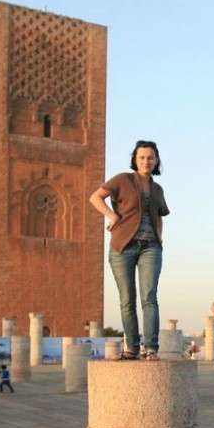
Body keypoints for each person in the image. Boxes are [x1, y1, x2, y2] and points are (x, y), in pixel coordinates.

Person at [90, 140, 170, 361]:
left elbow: (160, 216)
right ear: (135, 159)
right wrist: (112, 215)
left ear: (156, 161)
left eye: (151, 157)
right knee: (127, 299)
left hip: (151, 248)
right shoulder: (122, 180)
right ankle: (131, 348)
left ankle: (151, 348)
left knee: (149, 297)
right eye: (142, 157)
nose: (146, 161)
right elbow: (95, 197)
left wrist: (159, 239)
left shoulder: (157, 189)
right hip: (122, 247)